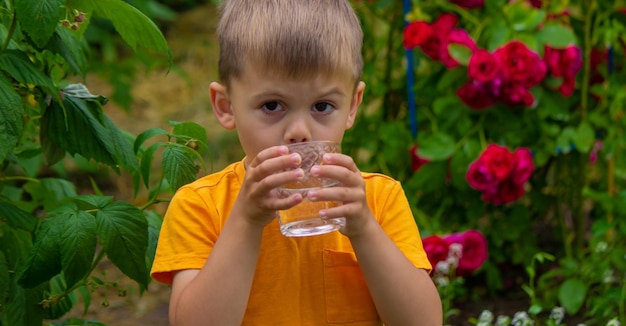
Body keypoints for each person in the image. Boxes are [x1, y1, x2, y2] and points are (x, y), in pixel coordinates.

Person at [150, 0, 443, 324]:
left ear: (352, 106)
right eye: (273, 105)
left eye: (322, 106)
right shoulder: (202, 206)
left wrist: (364, 231)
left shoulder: (377, 200)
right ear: (226, 106)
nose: (299, 132)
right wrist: (246, 222)